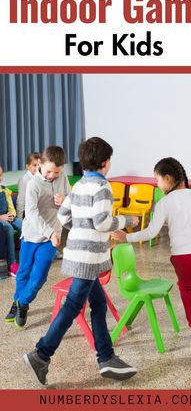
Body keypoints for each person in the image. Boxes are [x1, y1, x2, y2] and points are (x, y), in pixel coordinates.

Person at [23, 137, 139, 386]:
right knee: (73, 306)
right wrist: (127, 221)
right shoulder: (102, 188)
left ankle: (106, 357)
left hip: (77, 253)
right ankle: (41, 354)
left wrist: (82, 227)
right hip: (89, 257)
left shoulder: (79, 187)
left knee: (98, 304)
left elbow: (64, 218)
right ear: (106, 163)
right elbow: (102, 222)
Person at [112, 157, 191, 357]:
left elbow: (150, 232)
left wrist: (126, 237)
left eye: (157, 180)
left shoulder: (164, 203)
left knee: (187, 290)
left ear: (168, 178)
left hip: (183, 256)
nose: (157, 184)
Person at [5, 146, 70, 326]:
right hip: (31, 234)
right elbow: (31, 213)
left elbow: (71, 199)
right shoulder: (32, 184)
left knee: (40, 276)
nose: (52, 176)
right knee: (24, 272)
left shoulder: (62, 177)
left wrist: (65, 200)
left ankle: (23, 302)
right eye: (49, 171)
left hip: (52, 238)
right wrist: (48, 231)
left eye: (56, 172)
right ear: (40, 164)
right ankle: (17, 301)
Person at [0, 165, 22, 276]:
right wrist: (1, 218)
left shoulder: (5, 190)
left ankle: (24, 259)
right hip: (1, 219)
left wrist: (12, 215)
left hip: (8, 217)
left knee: (22, 224)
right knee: (8, 228)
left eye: (0, 175)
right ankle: (11, 263)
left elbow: (11, 207)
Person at [16, 152, 41, 219]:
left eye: (39, 165)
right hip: (27, 211)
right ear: (27, 167)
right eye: (34, 165)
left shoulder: (41, 177)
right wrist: (19, 219)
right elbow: (21, 200)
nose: (37, 167)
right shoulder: (24, 180)